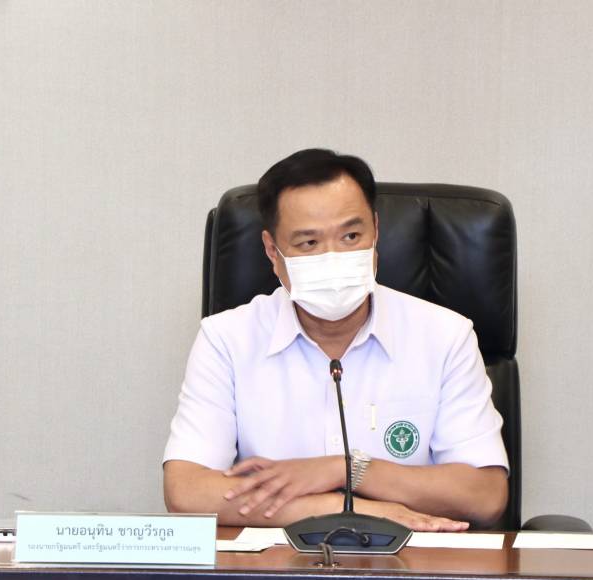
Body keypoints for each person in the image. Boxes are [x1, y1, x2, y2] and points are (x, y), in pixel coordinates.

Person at [163, 148, 508, 531]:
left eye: (351, 236)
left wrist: (347, 470)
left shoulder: (444, 336)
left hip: (411, 563)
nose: (333, 257)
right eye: (309, 243)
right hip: (277, 564)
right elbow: (187, 491)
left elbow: (486, 496)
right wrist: (343, 510)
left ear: (376, 231)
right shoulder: (227, 340)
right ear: (272, 251)